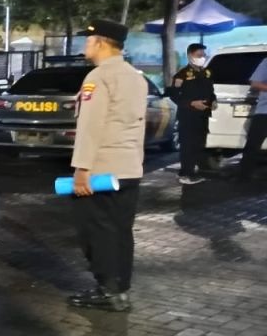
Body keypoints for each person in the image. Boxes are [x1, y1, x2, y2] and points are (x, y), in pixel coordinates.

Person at [65, 19, 148, 312]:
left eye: (88, 40)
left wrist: (81, 169)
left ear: (100, 42)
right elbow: (137, 126)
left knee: (96, 231)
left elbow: (91, 126)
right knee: (122, 231)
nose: (84, 45)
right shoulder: (136, 77)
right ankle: (121, 289)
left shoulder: (98, 78)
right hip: (129, 169)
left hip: (101, 170)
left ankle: (107, 290)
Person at [167, 43, 216, 185]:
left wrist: (213, 101)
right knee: (187, 145)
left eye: (203, 55)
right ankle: (185, 174)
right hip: (188, 116)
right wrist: (191, 103)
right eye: (199, 55)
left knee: (198, 144)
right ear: (190, 56)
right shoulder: (182, 75)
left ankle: (193, 172)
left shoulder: (207, 73)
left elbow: (210, 91)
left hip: (203, 115)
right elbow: (174, 95)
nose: (202, 58)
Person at [236, 56, 267, 181]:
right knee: (253, 144)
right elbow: (255, 83)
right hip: (265, 111)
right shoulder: (266, 62)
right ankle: (244, 175)